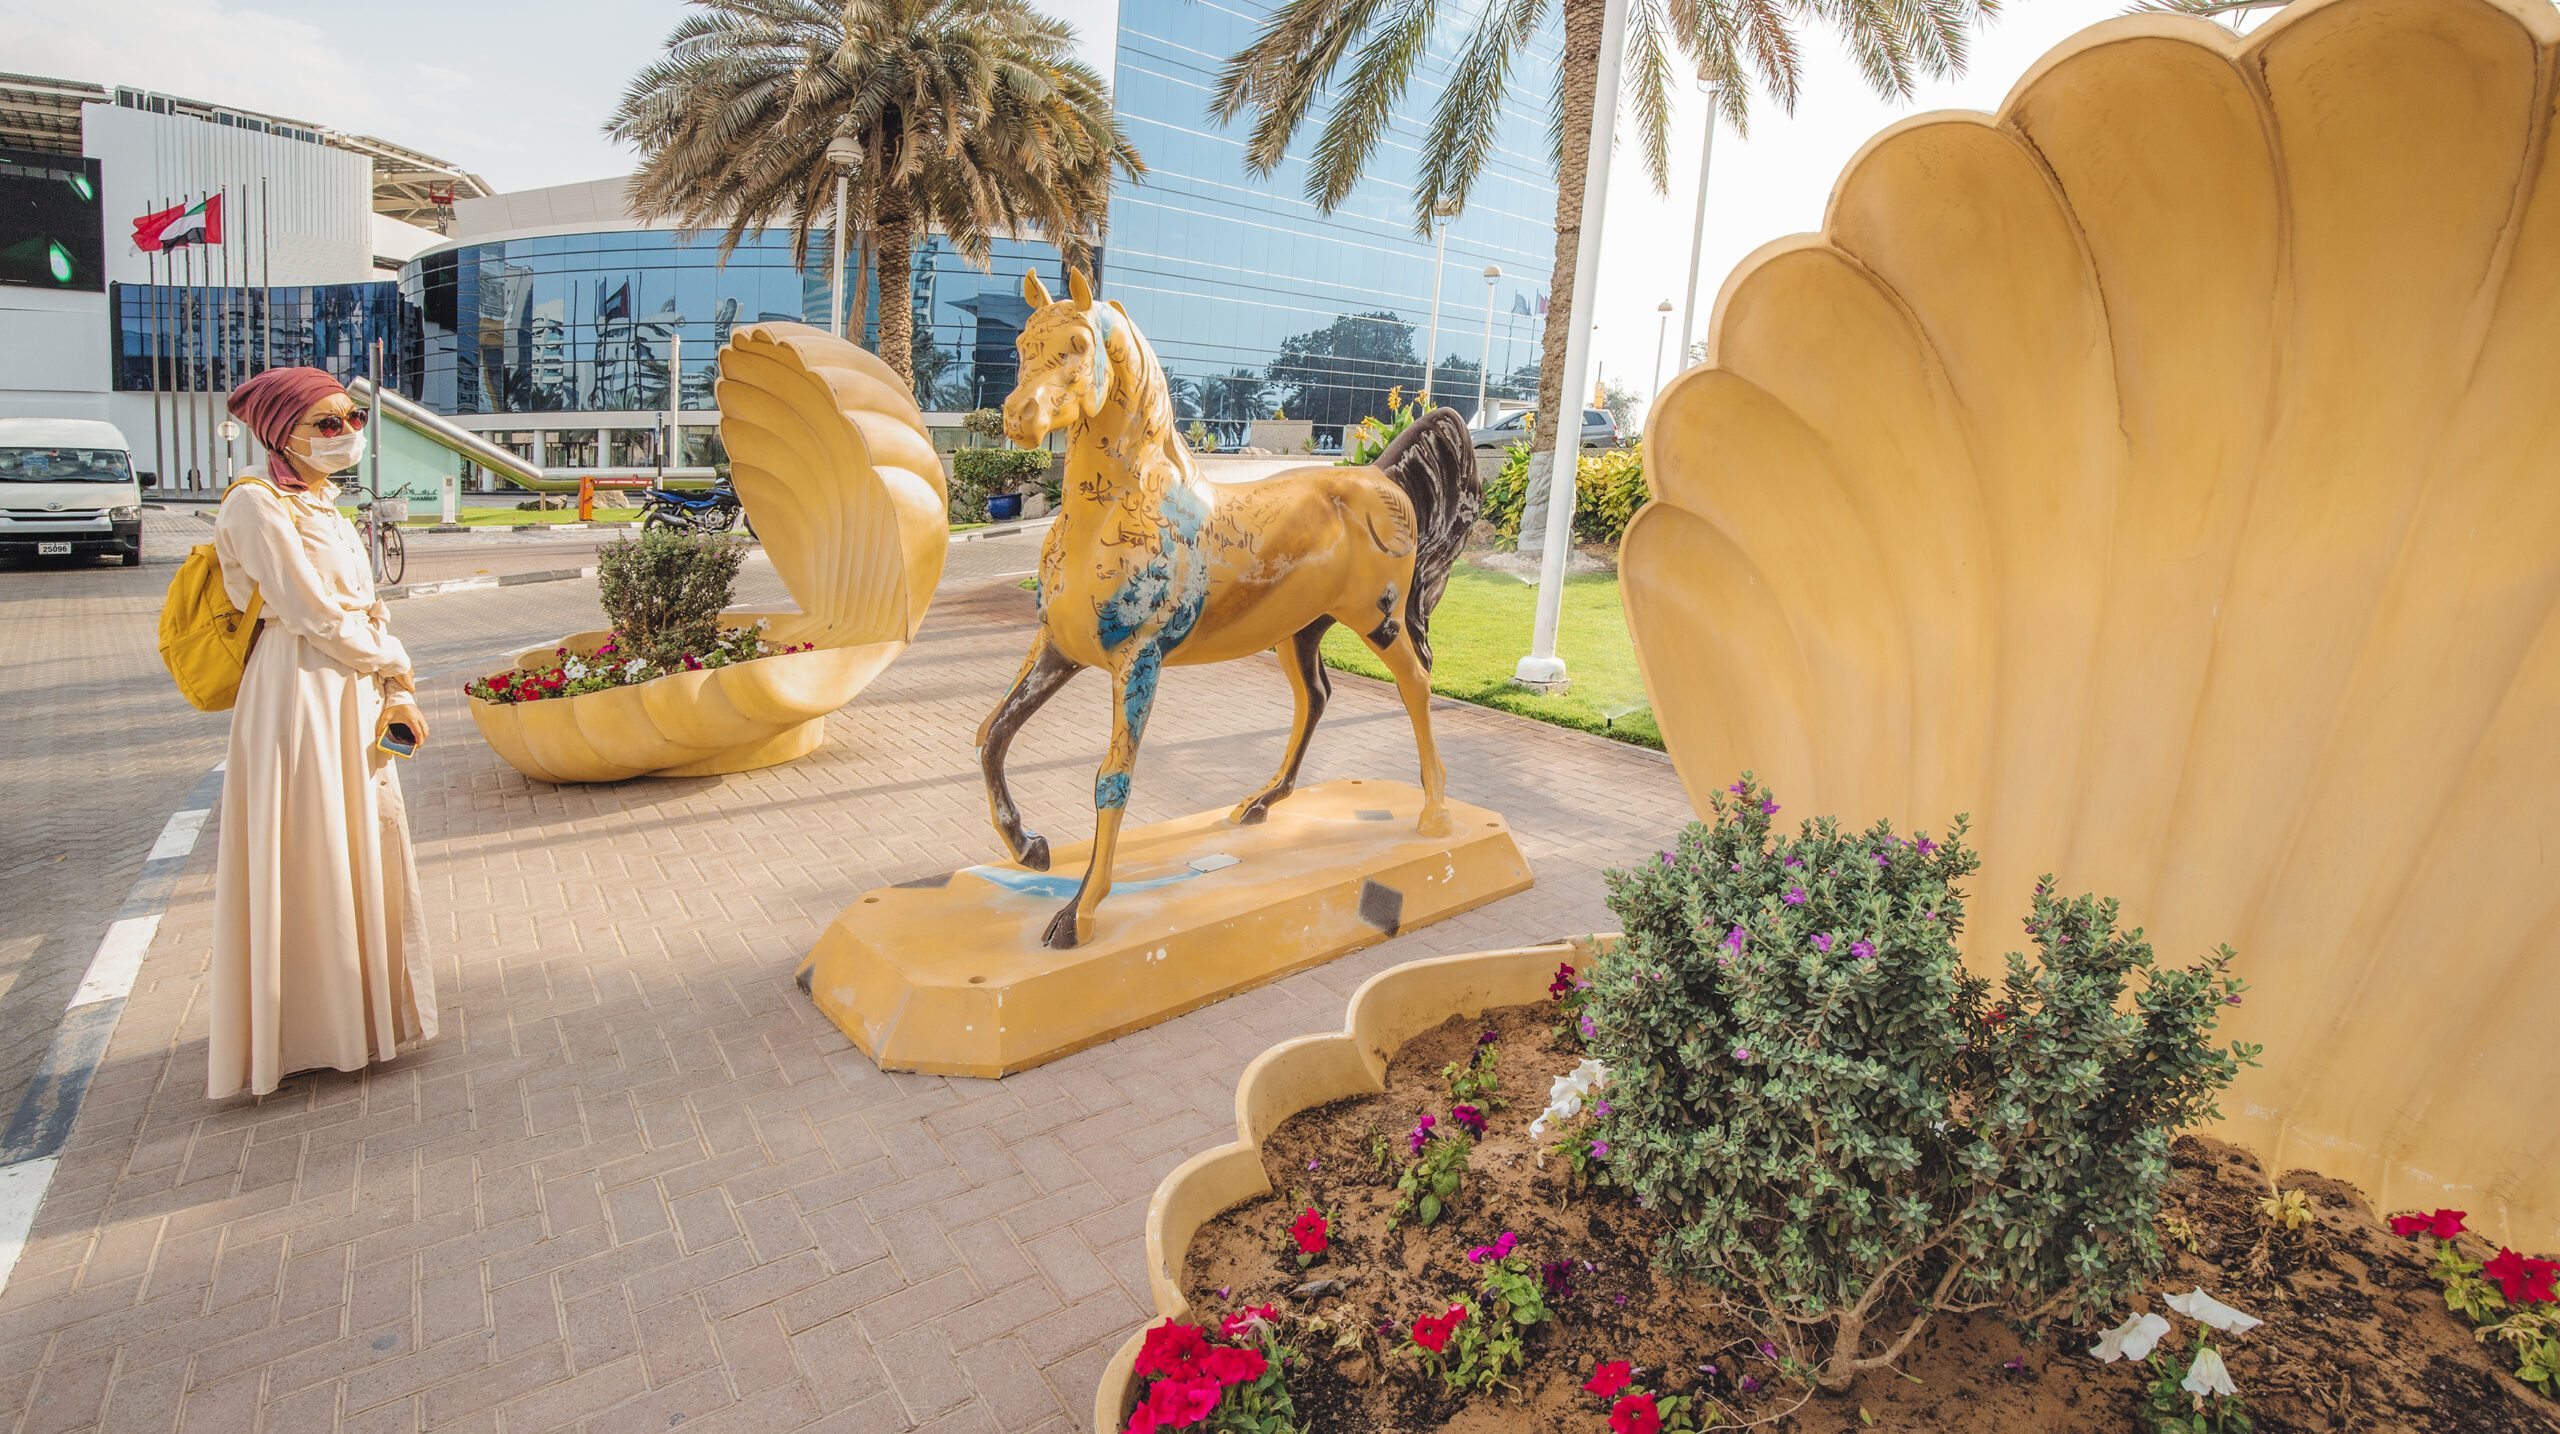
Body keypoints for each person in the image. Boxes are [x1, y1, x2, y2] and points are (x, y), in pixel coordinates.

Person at [207, 368, 436, 1099]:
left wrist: (391, 679)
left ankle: (365, 1019)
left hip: (352, 687)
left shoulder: (326, 505)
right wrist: (393, 661)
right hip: (299, 693)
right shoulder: (257, 504)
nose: (347, 436)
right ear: (282, 431)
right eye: (326, 424)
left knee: (362, 839)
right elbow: (307, 612)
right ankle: (310, 1031)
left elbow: (361, 605)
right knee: (311, 850)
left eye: (352, 419)